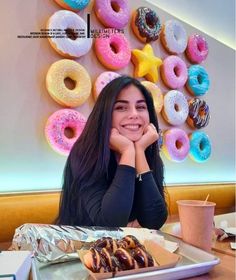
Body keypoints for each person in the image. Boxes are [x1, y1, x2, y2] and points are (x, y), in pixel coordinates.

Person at [57, 75, 167, 229]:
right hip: (80, 247)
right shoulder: (85, 154)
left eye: (141, 107)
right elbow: (109, 223)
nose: (134, 114)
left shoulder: (148, 154)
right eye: (121, 107)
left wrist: (139, 152)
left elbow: (154, 221)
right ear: (106, 114)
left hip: (122, 248)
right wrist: (128, 151)